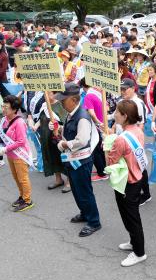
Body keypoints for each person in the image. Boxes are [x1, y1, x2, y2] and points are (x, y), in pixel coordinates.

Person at [55, 83, 102, 237]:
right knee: (76, 190)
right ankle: (85, 213)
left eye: (64, 100)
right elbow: (70, 131)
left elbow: (82, 140)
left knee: (84, 191)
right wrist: (59, 129)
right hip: (72, 159)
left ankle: (94, 221)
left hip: (81, 160)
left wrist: (64, 144)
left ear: (74, 100)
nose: (61, 102)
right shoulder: (71, 114)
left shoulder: (82, 116)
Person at [107, 99, 150, 266]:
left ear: (125, 116)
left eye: (117, 112)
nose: (114, 114)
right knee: (132, 216)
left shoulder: (121, 139)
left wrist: (107, 144)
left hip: (126, 182)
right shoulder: (138, 130)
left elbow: (111, 162)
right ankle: (133, 242)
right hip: (137, 177)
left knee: (131, 217)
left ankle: (139, 253)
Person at [0, 94, 34, 212]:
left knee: (23, 178)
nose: (3, 109)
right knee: (16, 178)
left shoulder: (19, 122)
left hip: (20, 155)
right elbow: (1, 135)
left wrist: (5, 149)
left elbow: (21, 141)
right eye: (3, 106)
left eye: (6, 107)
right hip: (10, 154)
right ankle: (22, 196)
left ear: (14, 109)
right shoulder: (4, 119)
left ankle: (27, 200)